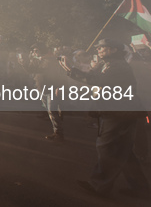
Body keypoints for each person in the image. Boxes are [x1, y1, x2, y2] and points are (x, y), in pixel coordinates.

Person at [60, 38, 150, 199]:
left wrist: (70, 68)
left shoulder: (118, 66)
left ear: (114, 50)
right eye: (98, 48)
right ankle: (140, 187)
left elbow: (97, 81)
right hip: (121, 112)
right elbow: (94, 78)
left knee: (107, 148)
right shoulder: (108, 64)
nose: (98, 50)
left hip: (119, 113)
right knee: (124, 151)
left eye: (102, 48)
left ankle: (99, 186)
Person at [20, 43, 64, 142]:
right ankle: (57, 131)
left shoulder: (51, 61)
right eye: (33, 51)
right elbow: (31, 70)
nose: (34, 53)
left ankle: (59, 133)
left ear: (42, 50)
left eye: (36, 51)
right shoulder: (36, 60)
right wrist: (23, 63)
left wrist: (58, 87)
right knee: (50, 111)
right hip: (42, 88)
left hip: (52, 89)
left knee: (52, 111)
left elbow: (59, 75)